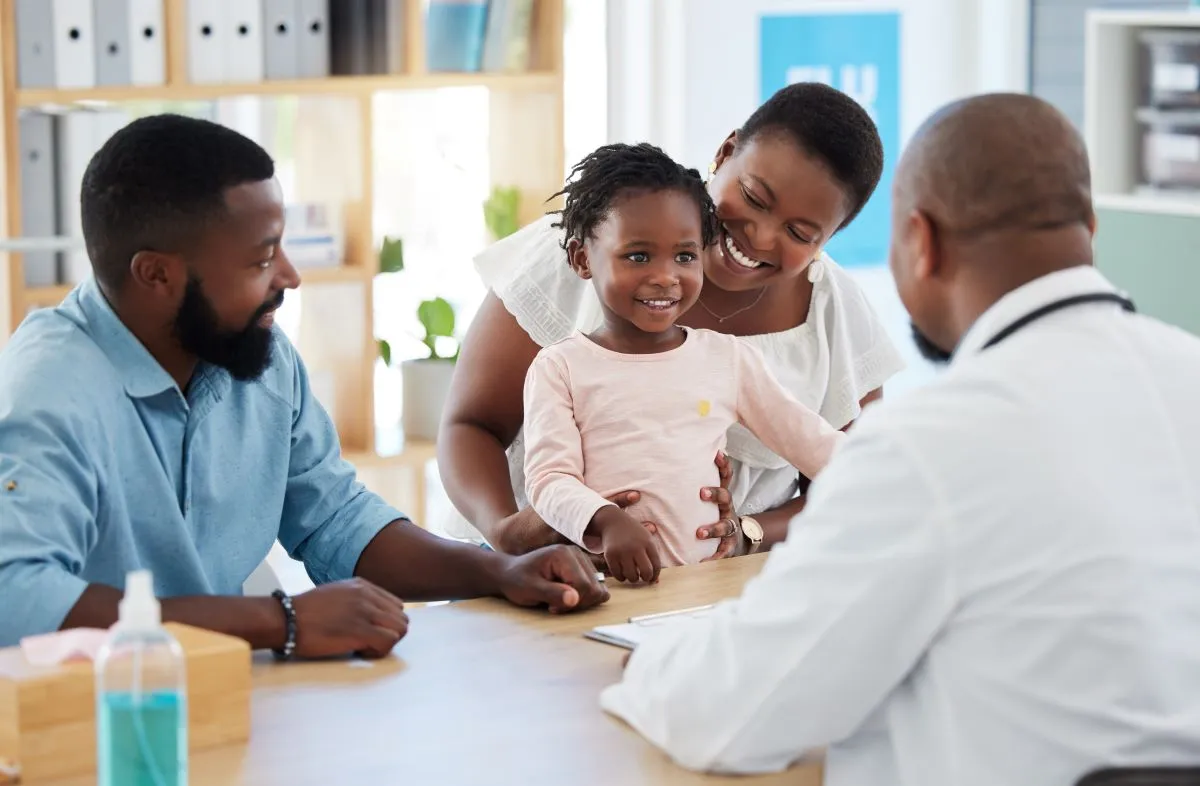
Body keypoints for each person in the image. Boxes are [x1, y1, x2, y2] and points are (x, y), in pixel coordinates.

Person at [599, 93, 1200, 786]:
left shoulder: (930, 445)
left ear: (920, 240)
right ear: (1088, 229)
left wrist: (658, 666)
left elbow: (729, 718)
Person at [0, 114, 608, 653]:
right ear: (156, 274)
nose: (289, 276)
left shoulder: (257, 357)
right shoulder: (49, 390)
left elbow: (335, 521)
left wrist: (499, 570)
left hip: (212, 703)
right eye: (262, 259)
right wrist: (278, 621)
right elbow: (17, 599)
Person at [440, 82, 906, 560]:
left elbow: (852, 478)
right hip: (545, 577)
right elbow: (471, 426)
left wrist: (745, 531)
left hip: (716, 591)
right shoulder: (587, 245)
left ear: (829, 238)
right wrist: (510, 533)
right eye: (754, 197)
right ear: (726, 152)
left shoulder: (832, 313)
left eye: (800, 232)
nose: (761, 236)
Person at [524, 143, 844, 583]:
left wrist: (906, 473)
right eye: (638, 256)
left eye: (685, 256)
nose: (666, 276)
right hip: (602, 588)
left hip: (703, 590)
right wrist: (606, 521)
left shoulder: (727, 359)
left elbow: (815, 444)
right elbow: (548, 480)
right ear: (583, 259)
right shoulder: (559, 368)